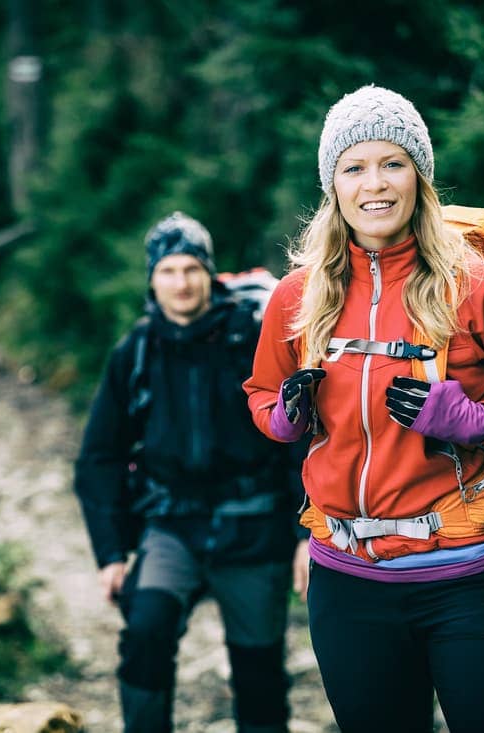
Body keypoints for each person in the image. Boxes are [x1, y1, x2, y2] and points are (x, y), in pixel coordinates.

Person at [244, 85, 484, 733]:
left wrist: (478, 421)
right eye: (354, 166)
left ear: (420, 177)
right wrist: (285, 417)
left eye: (393, 162)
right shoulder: (297, 296)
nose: (375, 183)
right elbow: (261, 396)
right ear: (332, 184)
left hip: (472, 577)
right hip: (348, 586)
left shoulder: (482, 289)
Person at [73, 211, 307, 733]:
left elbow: (300, 435)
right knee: (146, 635)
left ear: (209, 274)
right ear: (153, 279)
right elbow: (99, 456)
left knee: (259, 669)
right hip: (171, 527)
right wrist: (111, 552)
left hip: (254, 527)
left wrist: (304, 531)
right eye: (168, 271)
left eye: (191, 270)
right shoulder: (136, 350)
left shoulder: (252, 338)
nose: (181, 283)